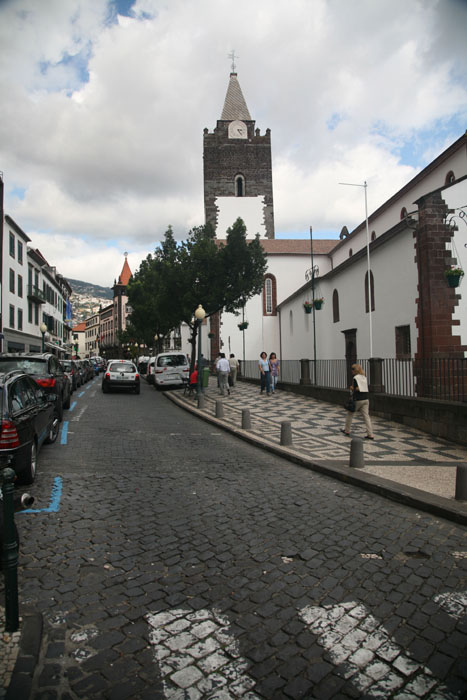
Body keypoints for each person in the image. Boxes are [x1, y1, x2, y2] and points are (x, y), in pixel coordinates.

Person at [341, 364, 374, 439]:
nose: (351, 371)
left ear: (355, 370)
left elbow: (357, 388)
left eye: (352, 369)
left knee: (350, 414)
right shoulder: (364, 377)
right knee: (366, 417)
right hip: (366, 399)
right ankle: (370, 434)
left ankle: (347, 430)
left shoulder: (355, 378)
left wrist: (352, 388)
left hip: (358, 399)